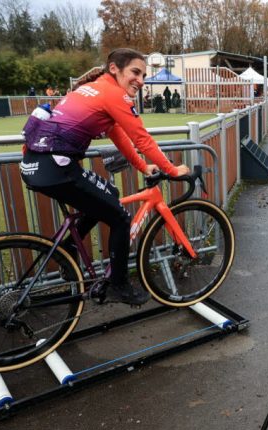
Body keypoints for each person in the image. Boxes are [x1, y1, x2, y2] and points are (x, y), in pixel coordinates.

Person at [19, 48, 190, 306]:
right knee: (120, 217)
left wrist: (144, 168)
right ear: (114, 69)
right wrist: (172, 170)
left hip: (38, 164)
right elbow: (142, 139)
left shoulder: (95, 90)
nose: (141, 80)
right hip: (57, 166)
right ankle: (119, 285)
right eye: (135, 72)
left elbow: (122, 139)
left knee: (110, 196)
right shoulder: (112, 94)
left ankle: (68, 247)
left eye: (143, 74)